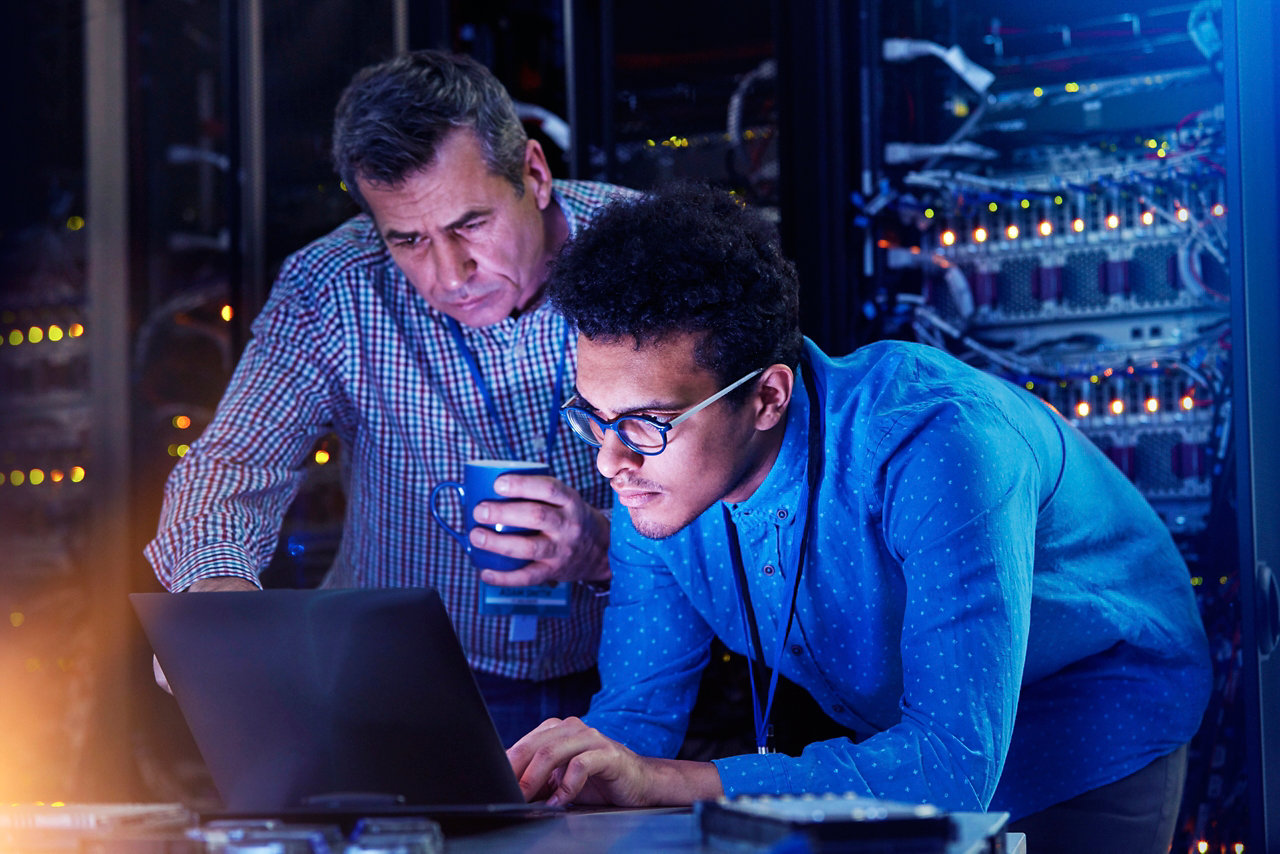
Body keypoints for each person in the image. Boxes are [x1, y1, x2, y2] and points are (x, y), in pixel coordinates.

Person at [507, 183, 1211, 854]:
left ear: (767, 399)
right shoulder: (654, 482)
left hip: (1090, 716)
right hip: (903, 751)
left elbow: (949, 770)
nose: (608, 462)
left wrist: (666, 782)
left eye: (645, 424)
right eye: (595, 419)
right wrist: (559, 779)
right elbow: (634, 728)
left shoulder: (937, 443)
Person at [144, 49, 631, 746]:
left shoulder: (639, 247)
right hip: (403, 682)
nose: (451, 273)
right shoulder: (332, 288)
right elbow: (231, 465)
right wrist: (216, 595)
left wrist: (605, 548)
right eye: (408, 239)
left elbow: (750, 472)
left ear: (534, 172)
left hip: (631, 671)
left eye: (470, 225)